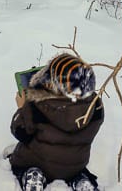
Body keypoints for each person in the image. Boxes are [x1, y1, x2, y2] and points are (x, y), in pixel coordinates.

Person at [8, 53, 104, 191]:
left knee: (23, 165)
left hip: (38, 160)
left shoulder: (37, 106)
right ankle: (80, 180)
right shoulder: (96, 106)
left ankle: (33, 175)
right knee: (76, 170)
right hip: (74, 164)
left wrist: (23, 108)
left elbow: (21, 133)